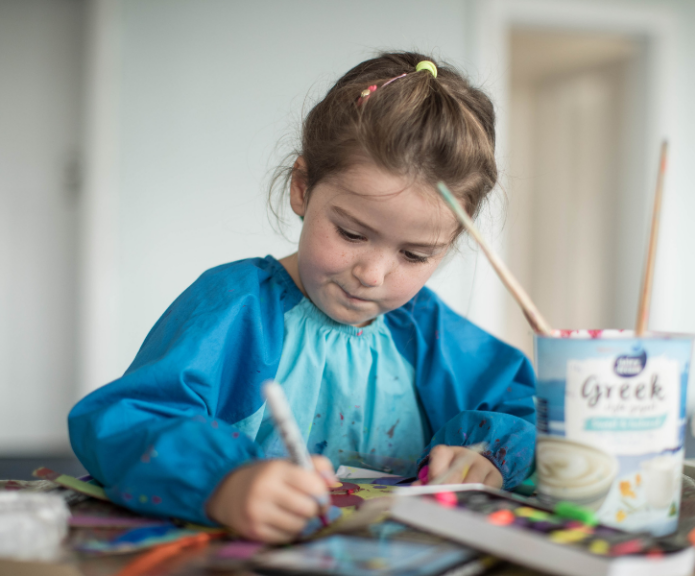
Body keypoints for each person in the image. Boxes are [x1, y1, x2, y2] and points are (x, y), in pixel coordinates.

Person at [68, 52, 536, 543]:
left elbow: (521, 407)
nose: (372, 274)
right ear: (302, 186)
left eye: (415, 254)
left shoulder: (427, 330)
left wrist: (484, 455)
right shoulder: (236, 306)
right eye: (352, 234)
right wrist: (225, 484)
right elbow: (126, 423)